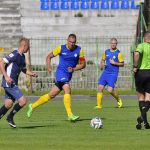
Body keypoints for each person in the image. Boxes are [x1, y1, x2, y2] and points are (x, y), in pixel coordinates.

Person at [27, 34, 86, 122]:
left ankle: (32, 106)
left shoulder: (79, 50)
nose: (72, 44)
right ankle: (70, 115)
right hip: (60, 73)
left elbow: (83, 65)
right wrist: (48, 67)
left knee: (51, 95)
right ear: (67, 41)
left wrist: (73, 69)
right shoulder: (60, 48)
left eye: (73, 42)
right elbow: (48, 57)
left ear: (75, 42)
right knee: (67, 88)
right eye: (70, 42)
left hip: (68, 75)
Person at [0, 38, 38, 128]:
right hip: (9, 83)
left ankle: (8, 116)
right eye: (28, 47)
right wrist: (6, 76)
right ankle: (10, 117)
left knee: (8, 104)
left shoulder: (22, 57)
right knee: (23, 101)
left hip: (12, 83)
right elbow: (1, 62)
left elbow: (24, 70)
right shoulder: (14, 54)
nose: (28, 49)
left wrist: (31, 74)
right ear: (24, 46)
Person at [95, 38, 124, 109]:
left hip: (113, 74)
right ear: (110, 44)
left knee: (110, 90)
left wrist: (115, 63)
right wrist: (102, 65)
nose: (113, 44)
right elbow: (102, 60)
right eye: (112, 43)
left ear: (116, 44)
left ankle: (118, 99)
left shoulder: (118, 53)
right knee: (100, 88)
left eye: (115, 43)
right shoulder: (106, 52)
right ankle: (99, 105)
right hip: (105, 73)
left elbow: (122, 64)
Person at [133, 31, 150, 129]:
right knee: (148, 98)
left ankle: (143, 120)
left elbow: (136, 54)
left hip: (141, 73)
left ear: (145, 38)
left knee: (141, 98)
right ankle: (144, 121)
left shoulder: (141, 45)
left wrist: (135, 66)